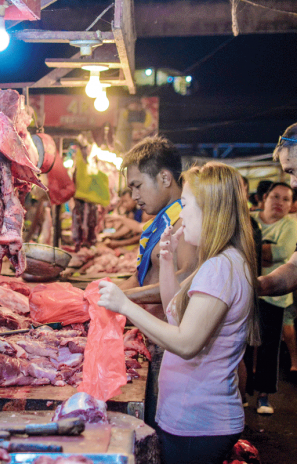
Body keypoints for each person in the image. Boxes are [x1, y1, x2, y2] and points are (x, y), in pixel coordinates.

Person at [98, 162, 259, 464]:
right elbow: (177, 313)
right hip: (195, 416)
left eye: (186, 205)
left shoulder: (220, 267)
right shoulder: (225, 260)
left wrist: (125, 306)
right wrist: (168, 261)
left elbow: (186, 343)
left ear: (211, 211)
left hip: (198, 422)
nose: (181, 214)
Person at [116, 136, 199, 429]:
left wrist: (124, 301)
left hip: (171, 345)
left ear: (164, 177)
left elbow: (188, 278)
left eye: (137, 185)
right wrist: (94, 295)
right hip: (150, 340)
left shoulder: (185, 222)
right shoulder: (160, 221)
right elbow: (143, 276)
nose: (134, 195)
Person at [244, 182, 297, 413]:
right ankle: (242, 390)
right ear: (264, 198)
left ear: (292, 205)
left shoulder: (291, 226)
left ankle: (264, 396)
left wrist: (256, 251)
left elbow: (281, 254)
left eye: (286, 199)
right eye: (275, 196)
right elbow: (256, 254)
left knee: (269, 347)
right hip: (246, 294)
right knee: (242, 344)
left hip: (275, 297)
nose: (280, 203)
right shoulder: (248, 218)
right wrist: (262, 253)